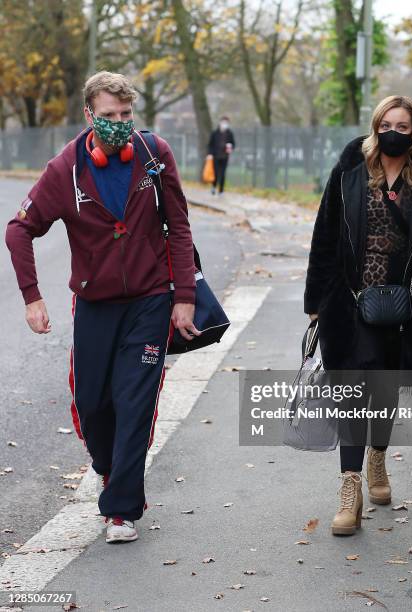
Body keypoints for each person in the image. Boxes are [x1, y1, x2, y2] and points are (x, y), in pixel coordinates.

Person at [5, 71, 201, 544]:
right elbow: (18, 230)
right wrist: (33, 297)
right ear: (89, 115)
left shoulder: (154, 156)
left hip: (150, 302)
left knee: (135, 402)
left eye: (126, 116)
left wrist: (184, 298)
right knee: (93, 402)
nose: (119, 125)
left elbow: (178, 225)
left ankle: (121, 510)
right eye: (109, 116)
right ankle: (106, 466)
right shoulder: (66, 169)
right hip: (94, 304)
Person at [304, 95, 412, 536]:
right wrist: (315, 299)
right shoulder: (351, 169)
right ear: (376, 126)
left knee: (385, 387)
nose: (394, 131)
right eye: (387, 123)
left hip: (400, 303)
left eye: (403, 126)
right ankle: (349, 486)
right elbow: (326, 231)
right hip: (349, 299)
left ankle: (377, 457)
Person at [207, 116, 235, 195]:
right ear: (220, 123)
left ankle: (221, 190)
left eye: (226, 123)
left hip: (225, 156)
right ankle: (213, 186)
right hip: (215, 156)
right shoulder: (215, 133)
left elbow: (233, 144)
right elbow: (210, 145)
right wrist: (210, 154)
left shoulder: (230, 134)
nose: (224, 124)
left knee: (222, 174)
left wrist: (230, 147)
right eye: (223, 122)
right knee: (215, 173)